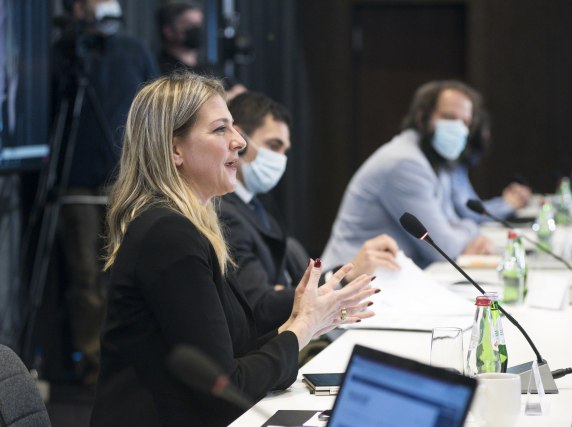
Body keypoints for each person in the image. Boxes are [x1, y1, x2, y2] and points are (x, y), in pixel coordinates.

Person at [90, 71, 377, 426]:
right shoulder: (169, 235)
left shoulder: (184, 227)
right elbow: (225, 390)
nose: (239, 142)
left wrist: (303, 323)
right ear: (174, 149)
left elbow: (234, 355)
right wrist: (300, 329)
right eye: (220, 129)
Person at [220, 91, 399, 333]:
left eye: (284, 150)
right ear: (239, 140)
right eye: (273, 145)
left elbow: (287, 288)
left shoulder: (257, 203)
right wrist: (342, 278)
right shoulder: (226, 213)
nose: (280, 159)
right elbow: (260, 306)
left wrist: (293, 290)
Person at [51, 0, 158, 385]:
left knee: (127, 273)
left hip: (125, 178)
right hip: (77, 182)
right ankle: (93, 363)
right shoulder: (64, 53)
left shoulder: (134, 50)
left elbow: (153, 109)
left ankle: (131, 359)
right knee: (85, 277)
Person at [322, 80, 496, 269]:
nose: (459, 128)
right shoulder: (405, 163)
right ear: (422, 117)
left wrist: (460, 230)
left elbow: (451, 223)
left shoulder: (437, 160)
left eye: (465, 123)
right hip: (349, 277)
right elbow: (443, 248)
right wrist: (471, 228)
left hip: (390, 274)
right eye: (449, 117)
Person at [451, 109, 532, 223]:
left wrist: (507, 201)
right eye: (485, 131)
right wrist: (508, 204)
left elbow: (475, 206)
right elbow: (470, 214)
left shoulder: (459, 167)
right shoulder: (450, 167)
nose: (488, 137)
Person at [156, 0, 247, 99]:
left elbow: (241, 92)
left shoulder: (210, 68)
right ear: (169, 31)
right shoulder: (161, 70)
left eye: (199, 24)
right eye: (189, 25)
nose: (197, 29)